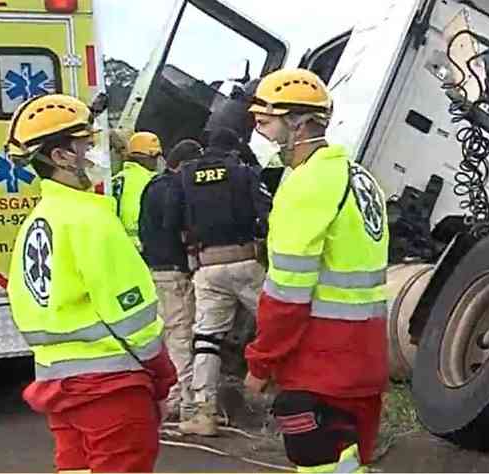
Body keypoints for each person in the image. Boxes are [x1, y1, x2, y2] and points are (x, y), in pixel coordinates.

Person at [4, 94, 176, 472]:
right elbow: (134, 318)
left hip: (61, 390)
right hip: (112, 390)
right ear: (62, 156)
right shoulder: (90, 220)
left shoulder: (38, 221)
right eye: (86, 145)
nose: (94, 154)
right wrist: (162, 377)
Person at [244, 68, 390, 472]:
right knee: (349, 464)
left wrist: (261, 363)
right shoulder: (360, 178)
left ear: (300, 123)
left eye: (267, 123)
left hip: (319, 367)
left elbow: (287, 294)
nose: (263, 135)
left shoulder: (307, 185)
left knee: (322, 465)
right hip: (363, 362)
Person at [167, 127, 271, 436]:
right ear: (233, 149)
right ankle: (290, 398)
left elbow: (171, 221)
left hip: (207, 267)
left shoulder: (185, 177)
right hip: (246, 261)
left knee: (206, 339)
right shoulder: (242, 172)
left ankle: (204, 414)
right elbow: (268, 215)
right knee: (277, 326)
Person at [138, 138, 203, 422]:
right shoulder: (175, 189)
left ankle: (169, 396)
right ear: (186, 165)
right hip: (175, 272)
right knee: (181, 336)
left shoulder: (152, 186)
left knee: (165, 335)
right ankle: (182, 402)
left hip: (154, 270)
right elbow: (176, 228)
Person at [113, 131, 162, 249]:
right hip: (143, 248)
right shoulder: (153, 181)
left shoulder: (115, 180)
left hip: (117, 246)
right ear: (149, 157)